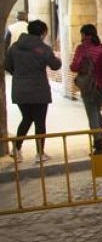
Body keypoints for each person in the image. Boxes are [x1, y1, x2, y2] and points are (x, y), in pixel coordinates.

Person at [3, 19, 60, 163]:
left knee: (26, 118)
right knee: (40, 121)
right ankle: (40, 154)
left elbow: (7, 65)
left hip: (20, 89)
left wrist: (19, 74)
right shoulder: (43, 48)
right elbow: (54, 65)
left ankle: (16, 150)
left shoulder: (15, 47)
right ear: (43, 32)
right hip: (38, 89)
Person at [70, 24, 102, 155]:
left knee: (92, 113)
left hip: (88, 86)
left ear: (83, 34)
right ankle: (99, 140)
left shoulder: (82, 48)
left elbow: (74, 67)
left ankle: (98, 144)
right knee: (97, 111)